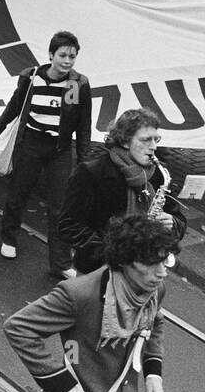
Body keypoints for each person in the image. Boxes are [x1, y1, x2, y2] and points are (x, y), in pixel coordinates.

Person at [3, 215, 176, 392]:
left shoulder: (155, 289)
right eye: (150, 264)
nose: (161, 272)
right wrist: (64, 388)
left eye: (163, 261)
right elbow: (18, 328)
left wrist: (153, 373)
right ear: (123, 261)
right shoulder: (78, 294)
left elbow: (154, 322)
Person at [0, 30, 91, 280]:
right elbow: (15, 105)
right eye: (63, 55)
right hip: (32, 143)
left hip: (60, 149)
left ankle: (60, 262)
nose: (67, 61)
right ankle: (9, 238)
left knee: (60, 205)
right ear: (50, 55)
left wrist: (84, 159)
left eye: (72, 57)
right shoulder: (32, 78)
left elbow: (83, 123)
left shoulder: (77, 84)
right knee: (18, 193)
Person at [59, 108, 188, 275]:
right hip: (100, 269)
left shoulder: (158, 174)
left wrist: (173, 223)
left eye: (156, 139)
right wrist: (114, 251)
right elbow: (68, 226)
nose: (153, 147)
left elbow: (180, 220)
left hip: (147, 269)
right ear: (125, 141)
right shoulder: (91, 172)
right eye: (145, 140)